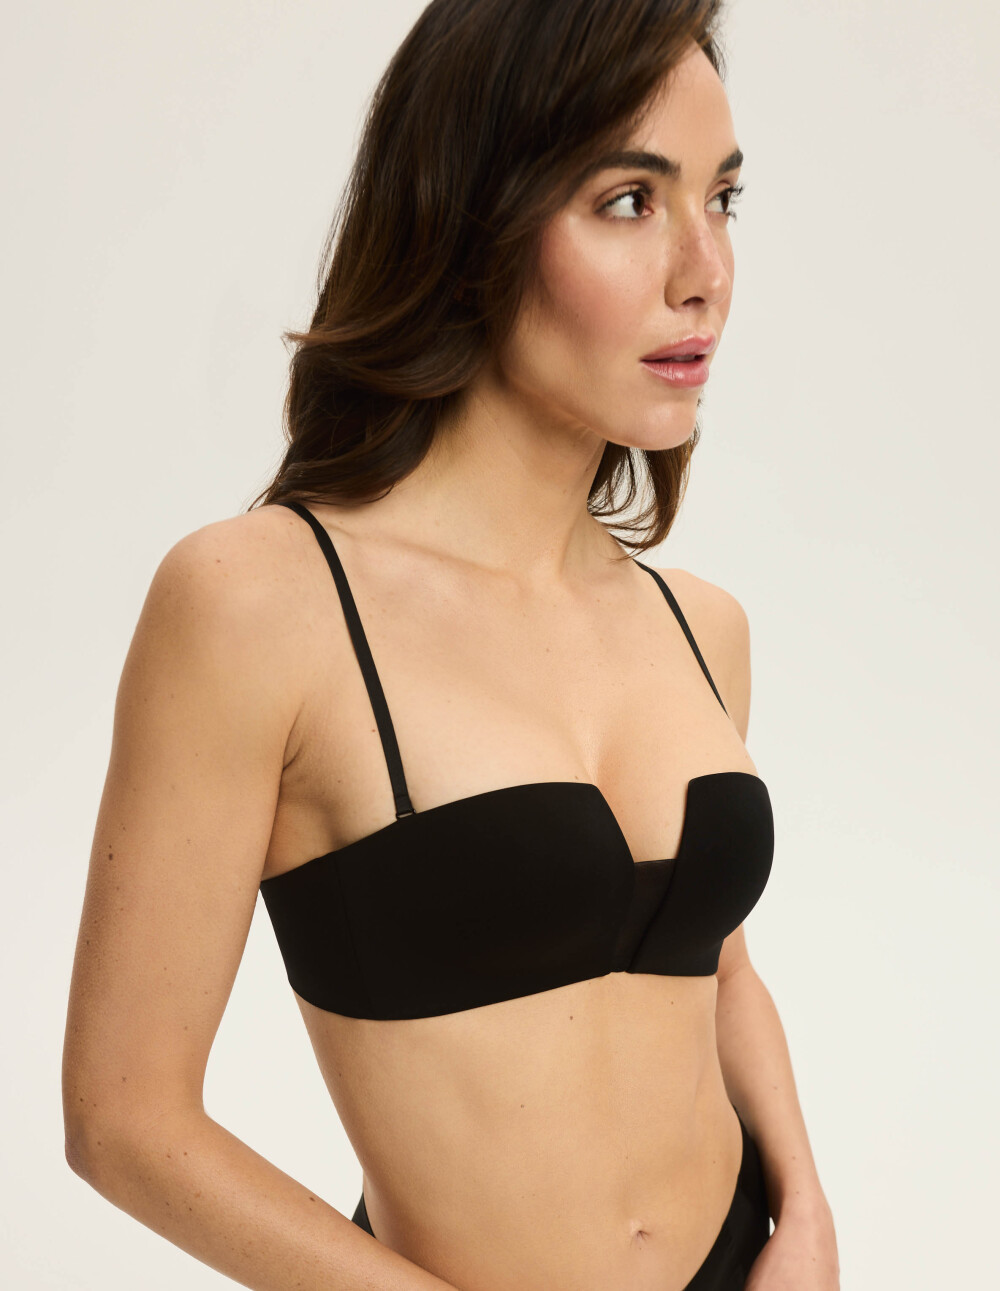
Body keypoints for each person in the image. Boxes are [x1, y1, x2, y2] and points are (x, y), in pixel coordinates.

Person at [62, 1, 839, 1288]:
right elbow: (124, 1117)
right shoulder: (261, 603)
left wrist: (806, 1214)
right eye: (629, 201)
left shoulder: (701, 625)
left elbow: (717, 972)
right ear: (473, 219)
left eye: (723, 199)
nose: (703, 269)